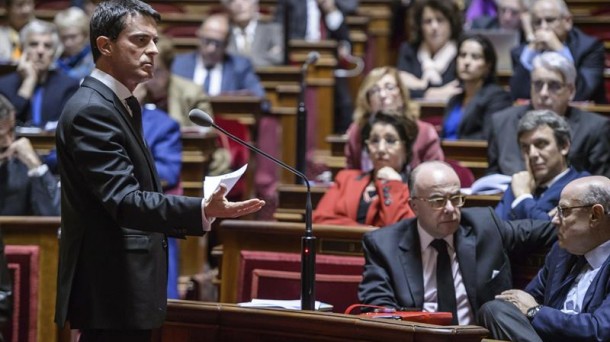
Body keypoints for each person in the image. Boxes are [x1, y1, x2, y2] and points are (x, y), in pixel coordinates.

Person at [53, 2, 265, 341]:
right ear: (105, 45)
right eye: (139, 40)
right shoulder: (93, 111)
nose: (152, 50)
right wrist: (200, 209)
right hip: (112, 289)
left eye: (154, 40)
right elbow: (123, 200)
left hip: (122, 290)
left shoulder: (118, 104)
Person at [358, 161, 556, 325]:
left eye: (455, 198)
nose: (451, 209)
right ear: (414, 206)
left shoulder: (486, 226)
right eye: (438, 201)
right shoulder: (383, 245)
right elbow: (378, 310)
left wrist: (568, 215)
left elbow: (549, 230)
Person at [478, 176, 610, 341]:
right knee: (495, 310)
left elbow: (601, 330)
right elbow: (522, 303)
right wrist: (526, 308)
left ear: (595, 215)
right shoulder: (561, 253)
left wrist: (536, 311)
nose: (554, 220)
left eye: (564, 210)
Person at [487, 51, 610, 178]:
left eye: (554, 86)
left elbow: (600, 186)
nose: (543, 93)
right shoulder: (501, 122)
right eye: (538, 84)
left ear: (571, 91)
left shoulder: (595, 128)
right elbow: (492, 178)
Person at [314, 112, 417, 226]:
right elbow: (319, 219)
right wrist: (366, 233)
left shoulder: (415, 190)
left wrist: (392, 185)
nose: (381, 149)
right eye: (374, 140)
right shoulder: (345, 179)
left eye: (390, 140)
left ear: (406, 148)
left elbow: (399, 230)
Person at [345, 66, 444, 173]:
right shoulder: (356, 131)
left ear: (401, 95)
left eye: (389, 87)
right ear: (368, 99)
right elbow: (351, 175)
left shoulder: (425, 132)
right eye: (375, 90)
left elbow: (436, 176)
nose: (382, 95)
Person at [495, 110, 589, 221]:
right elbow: (496, 228)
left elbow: (551, 234)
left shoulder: (581, 186)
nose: (532, 154)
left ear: (564, 146)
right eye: (525, 147)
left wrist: (523, 198)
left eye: (541, 144)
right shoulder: (519, 183)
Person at [509, 0, 606, 103]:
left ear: (567, 21)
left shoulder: (590, 48)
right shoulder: (521, 53)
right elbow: (517, 94)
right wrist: (530, 52)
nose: (543, 27)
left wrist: (560, 50)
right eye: (537, 22)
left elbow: (582, 93)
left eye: (549, 20)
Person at [0, 20, 80, 129]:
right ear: (23, 49)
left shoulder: (69, 86)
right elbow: (5, 125)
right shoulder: (3, 85)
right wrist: (28, 83)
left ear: (54, 53)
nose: (40, 51)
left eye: (47, 46)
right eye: (33, 44)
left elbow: (66, 127)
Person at [442, 33, 512, 140]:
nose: (466, 62)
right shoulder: (454, 99)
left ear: (488, 66)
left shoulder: (498, 98)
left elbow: (490, 137)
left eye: (475, 57)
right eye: (462, 55)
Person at [0, 94, 59, 216]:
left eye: (11, 131)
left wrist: (36, 167)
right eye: (0, 136)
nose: (9, 142)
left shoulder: (22, 163)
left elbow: (54, 216)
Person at [396, 0, 463, 100]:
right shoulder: (409, 50)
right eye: (428, 21)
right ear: (420, 26)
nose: (434, 27)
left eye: (440, 20)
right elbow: (400, 90)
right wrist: (432, 93)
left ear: (451, 24)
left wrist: (418, 85)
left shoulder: (462, 52)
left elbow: (461, 91)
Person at [223, 0, 284, 67]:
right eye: (233, 1)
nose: (239, 4)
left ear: (256, 6)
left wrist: (240, 62)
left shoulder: (273, 31)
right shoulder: (222, 33)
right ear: (227, 8)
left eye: (245, 0)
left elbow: (279, 57)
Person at [54, 7, 95, 81]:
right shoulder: (55, 59)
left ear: (85, 35)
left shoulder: (95, 61)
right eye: (64, 37)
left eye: (73, 37)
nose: (68, 43)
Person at [469, 0, 534, 43]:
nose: (507, 18)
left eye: (514, 12)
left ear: (524, 15)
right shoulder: (481, 26)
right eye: (503, 10)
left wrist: (529, 32)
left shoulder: (528, 31)